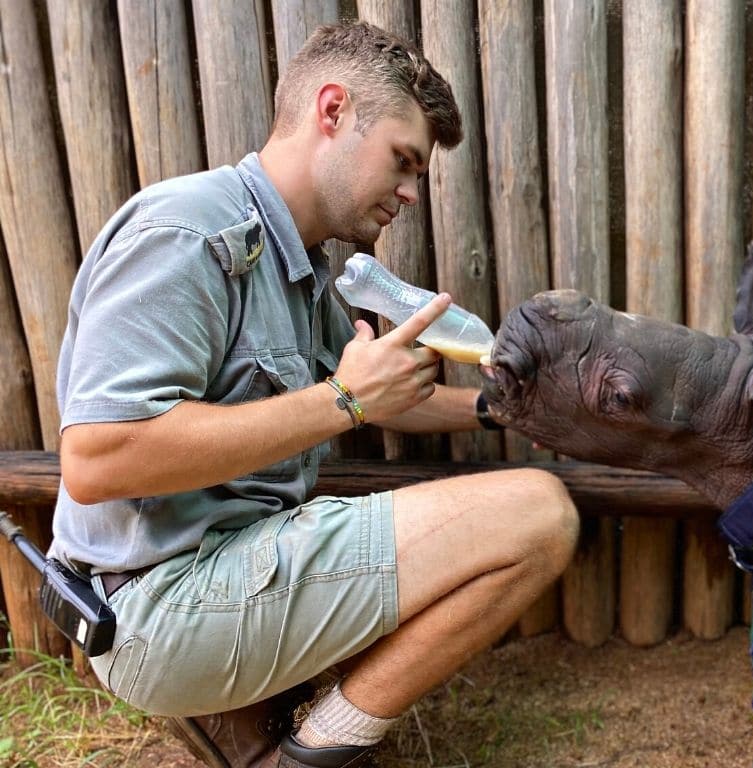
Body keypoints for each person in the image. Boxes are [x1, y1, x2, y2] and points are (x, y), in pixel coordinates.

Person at [50, 21, 579, 768]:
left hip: (217, 575)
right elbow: (99, 461)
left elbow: (379, 390)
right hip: (156, 607)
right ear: (332, 111)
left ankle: (261, 723)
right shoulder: (187, 232)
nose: (409, 192)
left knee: (523, 508)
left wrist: (502, 410)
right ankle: (311, 753)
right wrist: (343, 402)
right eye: (403, 160)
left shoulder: (294, 263)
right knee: (542, 516)